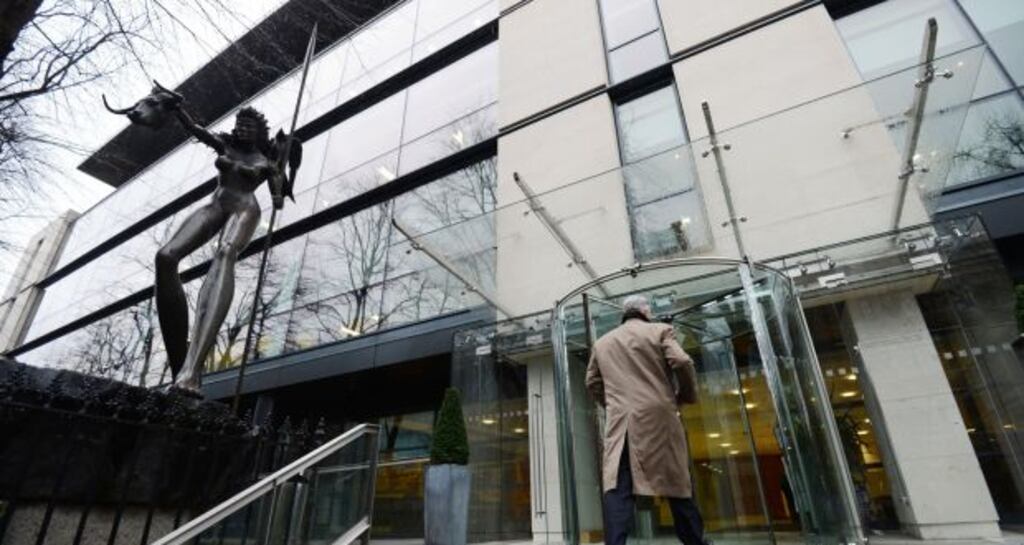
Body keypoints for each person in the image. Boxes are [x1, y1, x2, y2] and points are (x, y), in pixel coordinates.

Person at [585, 295, 708, 545]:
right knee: (677, 483)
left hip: (622, 423)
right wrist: (684, 395)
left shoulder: (603, 343)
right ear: (645, 310)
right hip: (659, 418)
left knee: (617, 487)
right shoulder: (660, 330)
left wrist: (613, 405)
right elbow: (682, 361)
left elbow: (592, 383)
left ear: (625, 313)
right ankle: (695, 541)